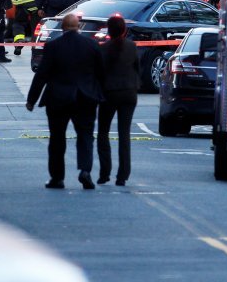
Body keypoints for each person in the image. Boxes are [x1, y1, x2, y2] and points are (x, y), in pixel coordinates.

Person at [26, 14, 105, 190]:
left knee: (57, 138)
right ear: (78, 27)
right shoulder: (91, 45)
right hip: (85, 98)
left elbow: (42, 74)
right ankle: (85, 170)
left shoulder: (53, 46)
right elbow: (101, 73)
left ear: (62, 28)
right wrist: (100, 95)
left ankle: (57, 177)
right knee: (85, 136)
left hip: (58, 98)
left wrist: (32, 99)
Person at [96, 16, 141, 186]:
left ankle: (104, 172)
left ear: (109, 30)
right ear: (124, 30)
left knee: (103, 133)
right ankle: (123, 175)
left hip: (109, 93)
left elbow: (99, 73)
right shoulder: (132, 46)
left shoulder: (103, 49)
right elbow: (137, 68)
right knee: (124, 134)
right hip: (129, 92)